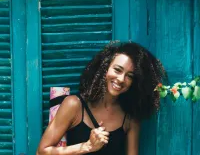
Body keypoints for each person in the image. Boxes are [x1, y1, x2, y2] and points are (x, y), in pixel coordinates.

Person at [37, 41, 166, 155]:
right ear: (105, 69)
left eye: (130, 76)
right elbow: (42, 152)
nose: (121, 79)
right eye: (117, 70)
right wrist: (87, 146)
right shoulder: (74, 105)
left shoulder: (130, 118)